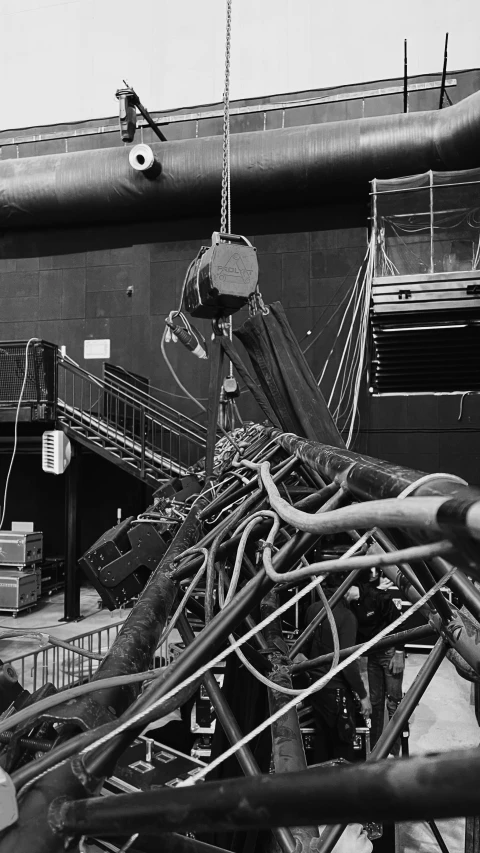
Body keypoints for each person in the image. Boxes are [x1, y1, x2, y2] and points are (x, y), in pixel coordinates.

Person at [300, 578, 372, 763]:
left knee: (322, 741)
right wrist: (363, 696)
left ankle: (318, 785)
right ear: (346, 591)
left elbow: (305, 649)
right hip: (336, 691)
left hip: (316, 688)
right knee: (343, 747)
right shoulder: (347, 617)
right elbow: (347, 663)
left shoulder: (312, 609)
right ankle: (342, 789)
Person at [348, 572, 405, 755]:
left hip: (389, 652)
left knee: (393, 701)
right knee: (375, 701)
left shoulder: (377, 597)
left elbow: (400, 623)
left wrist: (399, 652)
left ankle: (396, 751)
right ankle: (375, 749)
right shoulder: (350, 605)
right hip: (373, 654)